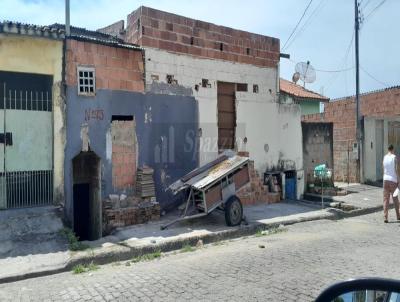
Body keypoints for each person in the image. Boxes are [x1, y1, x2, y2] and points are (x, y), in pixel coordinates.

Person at [382, 144, 400, 223]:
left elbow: (383, 168)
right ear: (393, 149)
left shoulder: (385, 157)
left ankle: (385, 217)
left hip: (385, 180)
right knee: (395, 199)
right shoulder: (394, 157)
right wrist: (398, 179)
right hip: (393, 180)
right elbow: (396, 169)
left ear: (388, 149)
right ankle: (398, 216)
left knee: (386, 199)